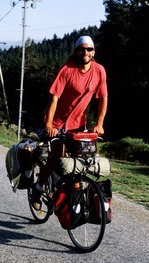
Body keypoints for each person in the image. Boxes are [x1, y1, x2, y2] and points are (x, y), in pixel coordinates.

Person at [31, 35, 108, 210]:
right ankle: (38, 187)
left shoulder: (99, 70)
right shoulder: (67, 70)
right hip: (57, 122)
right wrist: (49, 125)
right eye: (82, 49)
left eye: (89, 49)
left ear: (93, 52)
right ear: (76, 51)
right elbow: (54, 98)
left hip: (78, 123)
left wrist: (100, 123)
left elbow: (103, 98)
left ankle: (72, 195)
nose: (86, 52)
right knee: (57, 155)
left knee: (79, 161)